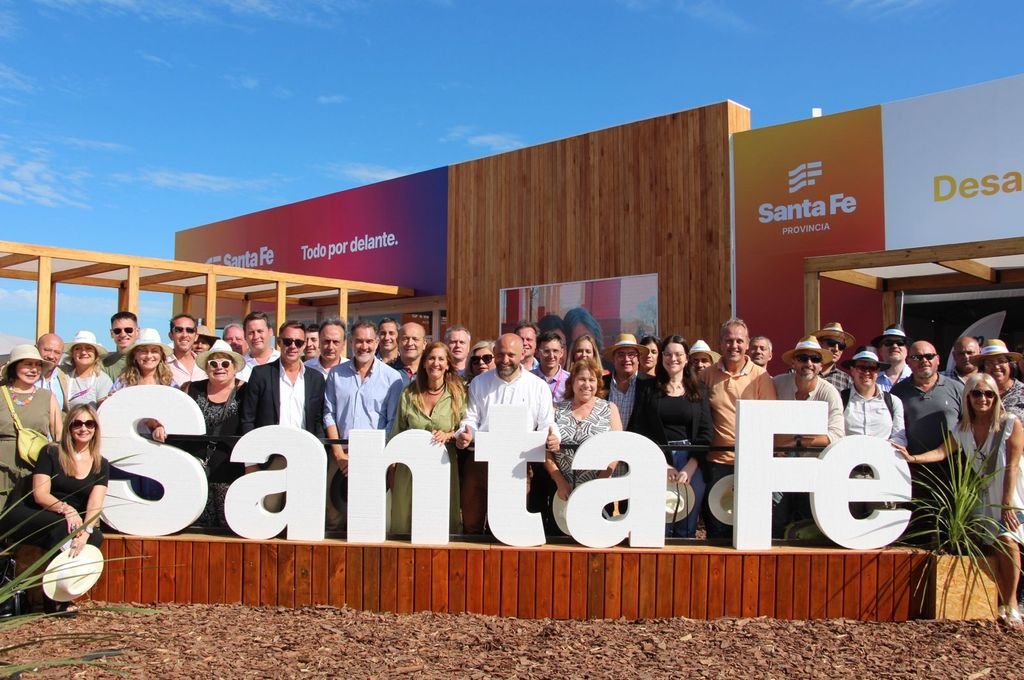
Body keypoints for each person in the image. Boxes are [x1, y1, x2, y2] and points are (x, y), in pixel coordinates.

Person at [897, 372, 1024, 626]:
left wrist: (1006, 504)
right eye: (976, 393)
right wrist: (913, 458)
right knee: (991, 547)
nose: (983, 399)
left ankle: (1012, 604)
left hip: (1011, 494)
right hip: (984, 495)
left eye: (988, 394)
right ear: (968, 397)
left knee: (1008, 542)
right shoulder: (963, 428)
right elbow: (942, 451)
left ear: (996, 397)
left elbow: (1012, 465)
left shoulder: (1010, 423)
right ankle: (1000, 602)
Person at [0, 404, 108, 614]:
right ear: (69, 427)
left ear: (95, 428)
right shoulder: (51, 452)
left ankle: (62, 592)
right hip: (33, 511)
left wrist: (85, 531)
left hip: (69, 521)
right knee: (61, 528)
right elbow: (40, 495)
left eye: (89, 424)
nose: (83, 428)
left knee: (94, 538)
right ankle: (53, 600)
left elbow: (95, 504)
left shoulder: (101, 464)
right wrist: (67, 510)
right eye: (77, 423)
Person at [455, 333, 558, 535]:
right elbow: (471, 419)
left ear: (522, 354)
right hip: (480, 463)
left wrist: (553, 437)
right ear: (494, 353)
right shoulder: (479, 383)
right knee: (472, 525)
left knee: (509, 530)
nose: (505, 360)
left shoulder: (537, 386)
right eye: (501, 354)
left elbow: (547, 423)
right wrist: (466, 434)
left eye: (511, 355)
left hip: (519, 465)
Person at [700, 318, 777, 539]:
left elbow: (769, 418)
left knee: (749, 528)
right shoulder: (706, 376)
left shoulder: (761, 377)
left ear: (747, 344)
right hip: (717, 462)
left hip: (751, 463)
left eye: (739, 341)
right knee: (717, 529)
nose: (734, 346)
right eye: (729, 340)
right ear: (720, 343)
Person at [240, 321, 326, 515]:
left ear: (305, 344)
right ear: (279, 342)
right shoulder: (261, 374)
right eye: (288, 341)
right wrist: (250, 462)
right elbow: (248, 419)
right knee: (268, 511)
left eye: (298, 342)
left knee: (301, 515)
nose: (293, 346)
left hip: (305, 455)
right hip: (271, 456)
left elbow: (318, 420)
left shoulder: (316, 378)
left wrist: (320, 456)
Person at [323, 320, 404, 526]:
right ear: (351, 342)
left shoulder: (392, 378)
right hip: (341, 455)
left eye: (369, 341)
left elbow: (392, 421)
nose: (364, 346)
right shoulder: (336, 374)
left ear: (377, 343)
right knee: (334, 515)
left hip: (374, 456)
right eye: (359, 341)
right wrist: (339, 454)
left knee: (368, 519)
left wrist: (371, 454)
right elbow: (329, 414)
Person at [635, 336, 712, 538]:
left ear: (687, 358)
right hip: (658, 458)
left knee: (686, 526)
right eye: (668, 354)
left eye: (678, 354)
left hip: (692, 460)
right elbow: (640, 429)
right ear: (662, 358)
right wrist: (663, 463)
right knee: (660, 525)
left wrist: (692, 465)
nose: (673, 359)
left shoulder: (699, 389)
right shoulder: (647, 389)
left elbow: (706, 432)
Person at [388, 342, 467, 536]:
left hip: (443, 464)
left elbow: (465, 427)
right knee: (404, 520)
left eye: (441, 359)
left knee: (441, 521)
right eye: (431, 358)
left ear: (447, 365)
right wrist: (391, 467)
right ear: (424, 363)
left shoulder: (458, 394)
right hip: (409, 467)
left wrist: (449, 435)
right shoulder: (409, 393)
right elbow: (397, 431)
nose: (435, 363)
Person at [772, 335, 846, 537]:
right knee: (775, 517)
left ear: (821, 365)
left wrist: (796, 441)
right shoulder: (776, 384)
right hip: (778, 463)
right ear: (793, 362)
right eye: (803, 358)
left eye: (815, 359)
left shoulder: (829, 392)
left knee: (806, 520)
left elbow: (837, 435)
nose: (809, 363)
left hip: (812, 465)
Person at [891, 339, 963, 542]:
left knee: (949, 532)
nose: (924, 361)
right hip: (914, 472)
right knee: (918, 531)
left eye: (929, 356)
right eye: (917, 357)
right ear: (908, 362)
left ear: (938, 360)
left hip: (951, 472)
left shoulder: (957, 388)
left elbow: (968, 427)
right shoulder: (898, 392)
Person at [546, 358, 624, 531]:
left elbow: (617, 449)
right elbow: (545, 451)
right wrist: (559, 481)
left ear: (598, 383)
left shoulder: (609, 409)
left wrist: (599, 484)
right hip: (563, 492)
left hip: (599, 492)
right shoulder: (556, 409)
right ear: (572, 382)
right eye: (581, 379)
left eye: (591, 380)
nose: (586, 384)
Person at [181, 340, 247, 527]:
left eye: (225, 363)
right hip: (197, 471)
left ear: (234, 368)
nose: (220, 367)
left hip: (231, 469)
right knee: (199, 526)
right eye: (213, 363)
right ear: (206, 367)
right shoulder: (191, 389)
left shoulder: (246, 390)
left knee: (230, 525)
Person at [0, 345, 62, 505]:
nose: (34, 369)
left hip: (34, 471)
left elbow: (59, 435)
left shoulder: (47, 396)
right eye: (28, 364)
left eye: (38, 365)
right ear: (14, 367)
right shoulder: (1, 393)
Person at [603, 333, 657, 434]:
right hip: (607, 442)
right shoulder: (601, 384)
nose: (626, 359)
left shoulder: (650, 384)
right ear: (613, 358)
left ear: (638, 359)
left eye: (631, 354)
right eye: (621, 354)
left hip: (639, 443)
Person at [975, 339, 1024, 420]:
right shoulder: (975, 393)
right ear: (983, 367)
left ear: (1009, 365)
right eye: (990, 362)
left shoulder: (1022, 391)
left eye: (1001, 361)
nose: (996, 366)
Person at [64, 330, 113, 409]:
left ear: (96, 354)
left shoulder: (103, 380)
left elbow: (104, 410)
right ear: (72, 354)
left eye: (88, 348)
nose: (83, 352)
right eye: (78, 348)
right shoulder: (63, 376)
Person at [166, 314, 206, 385]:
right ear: (171, 335)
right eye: (178, 330)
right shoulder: (162, 364)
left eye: (190, 330)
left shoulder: (206, 365)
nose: (184, 335)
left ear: (196, 336)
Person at [814, 322, 855, 393]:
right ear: (820, 344)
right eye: (831, 343)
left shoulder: (846, 380)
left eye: (841, 346)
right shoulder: (803, 372)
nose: (836, 349)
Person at [238, 311, 279, 382]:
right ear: (245, 336)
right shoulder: (239, 367)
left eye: (260, 331)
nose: (256, 336)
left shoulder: (283, 361)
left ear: (270, 332)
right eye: (251, 333)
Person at [533, 331, 569, 402]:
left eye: (555, 351)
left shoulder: (569, 380)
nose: (551, 356)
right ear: (537, 353)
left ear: (561, 353)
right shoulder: (528, 378)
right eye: (546, 351)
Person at [35, 333, 68, 412]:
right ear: (36, 348)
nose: (51, 356)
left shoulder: (64, 377)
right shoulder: (23, 376)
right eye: (47, 350)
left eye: (57, 352)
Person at [873, 324, 912, 391]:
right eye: (888, 342)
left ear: (907, 349)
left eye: (900, 342)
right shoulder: (871, 379)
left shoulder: (916, 377)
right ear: (880, 350)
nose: (894, 346)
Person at [389, 322, 427, 386]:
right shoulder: (387, 371)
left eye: (415, 339)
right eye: (405, 339)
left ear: (424, 344)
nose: (410, 343)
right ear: (398, 342)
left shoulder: (431, 371)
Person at [103, 311, 138, 379]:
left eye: (128, 330)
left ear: (137, 331)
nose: (123, 334)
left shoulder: (148, 360)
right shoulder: (104, 365)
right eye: (117, 331)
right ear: (111, 333)